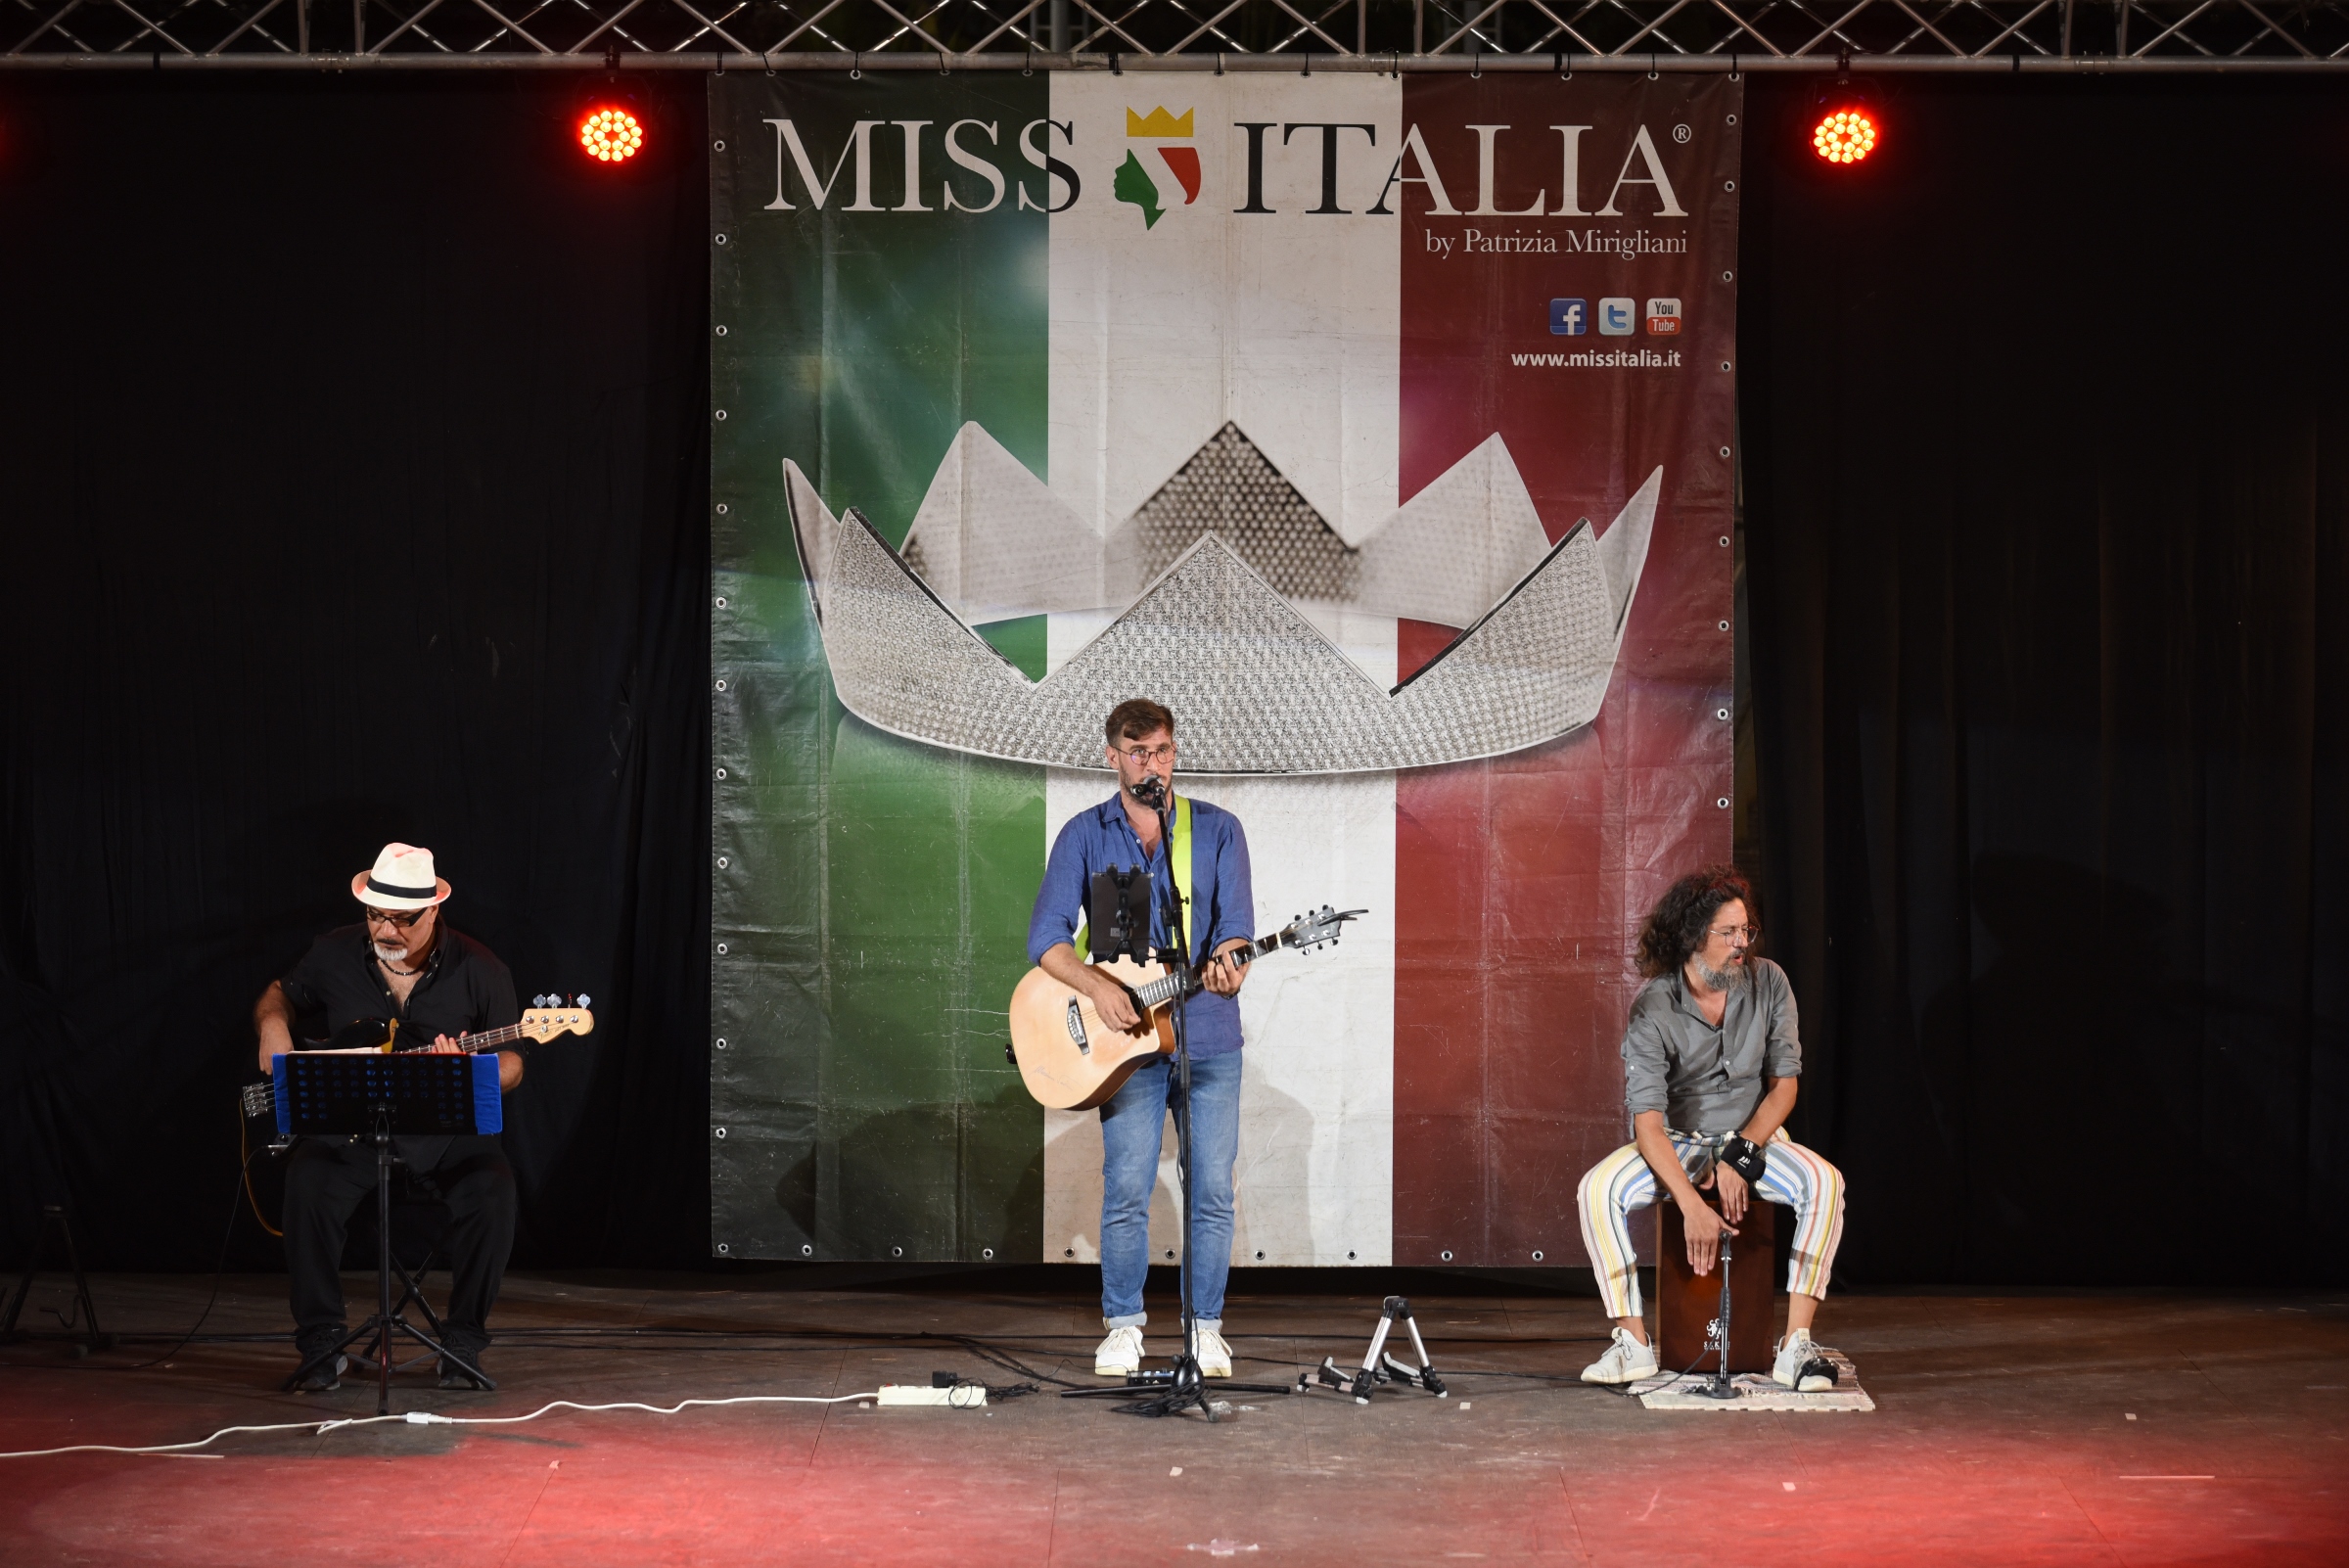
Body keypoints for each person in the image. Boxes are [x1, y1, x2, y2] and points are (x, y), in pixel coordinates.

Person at [1029, 699, 1255, 1379]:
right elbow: (1047, 939)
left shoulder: (1217, 831)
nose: (1148, 763)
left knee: (1211, 1189)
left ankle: (1205, 1329)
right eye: (1135, 752)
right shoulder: (1084, 835)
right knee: (1126, 1186)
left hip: (1209, 1038)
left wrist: (1233, 961)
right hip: (1125, 1046)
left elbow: (1237, 927)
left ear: (1174, 752)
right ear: (1112, 757)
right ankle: (1124, 1326)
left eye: (1158, 750)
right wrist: (1096, 987)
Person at [253, 843, 524, 1392]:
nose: (387, 932)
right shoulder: (332, 954)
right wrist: (272, 1027)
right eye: (376, 916)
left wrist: (469, 1073)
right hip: (355, 1129)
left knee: (492, 1190)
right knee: (307, 1182)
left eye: (402, 920)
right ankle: (322, 1341)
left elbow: (515, 1063)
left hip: (442, 1132)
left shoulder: (482, 968)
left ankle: (462, 1341)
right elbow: (278, 995)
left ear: (433, 912)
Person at [1575, 865, 1847, 1391]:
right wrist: (1694, 1208)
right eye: (1728, 933)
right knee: (1596, 1190)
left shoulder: (1770, 982)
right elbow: (1648, 1126)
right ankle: (1632, 1344)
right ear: (1692, 937)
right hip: (1674, 1142)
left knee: (1825, 1183)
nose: (1741, 944)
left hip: (1752, 1137)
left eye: (1746, 931)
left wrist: (1738, 1159)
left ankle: (1796, 1346)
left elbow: (1783, 1089)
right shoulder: (1654, 1006)